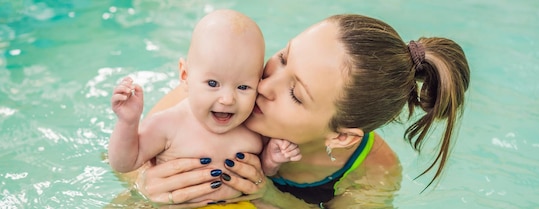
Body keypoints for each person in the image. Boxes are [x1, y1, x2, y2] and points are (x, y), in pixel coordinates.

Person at [130, 13, 470, 209]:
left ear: (340, 136)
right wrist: (144, 183)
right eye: (282, 57)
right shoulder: (218, 94)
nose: (264, 85)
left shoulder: (371, 172)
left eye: (294, 93)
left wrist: (269, 194)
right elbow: (120, 160)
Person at [107, 10, 301, 208]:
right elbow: (124, 164)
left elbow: (262, 174)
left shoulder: (253, 127)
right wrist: (128, 122)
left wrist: (272, 159)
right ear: (185, 75)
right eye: (212, 83)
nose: (227, 99)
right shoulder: (167, 124)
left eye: (243, 87)